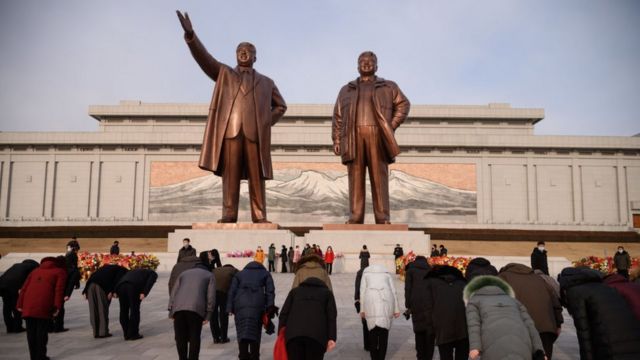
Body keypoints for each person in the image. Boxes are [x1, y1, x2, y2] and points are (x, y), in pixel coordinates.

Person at [176, 11, 287, 224]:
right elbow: (204, 59)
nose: (244, 53)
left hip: (255, 134)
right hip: (231, 131)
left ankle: (259, 214)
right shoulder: (224, 73)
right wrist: (191, 36)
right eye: (240, 50)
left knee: (257, 176)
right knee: (231, 175)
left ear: (255, 57)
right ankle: (229, 213)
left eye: (248, 51)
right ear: (236, 54)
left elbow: (281, 106)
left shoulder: (266, 82)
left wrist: (265, 121)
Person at [332, 51, 410, 224]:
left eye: (370, 61)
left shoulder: (388, 86)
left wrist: (391, 125)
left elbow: (404, 105)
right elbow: (337, 116)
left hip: (377, 136)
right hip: (353, 137)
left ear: (377, 65)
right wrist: (337, 140)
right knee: (355, 178)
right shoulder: (346, 89)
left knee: (379, 177)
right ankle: (355, 216)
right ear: (357, 65)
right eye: (362, 61)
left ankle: (382, 217)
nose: (366, 64)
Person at [558, 267, 640, 359]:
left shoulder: (575, 292)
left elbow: (584, 335)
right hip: (633, 343)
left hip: (610, 346)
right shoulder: (605, 287)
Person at [464, 275, 545, 360]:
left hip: (491, 343)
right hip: (521, 342)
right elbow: (530, 325)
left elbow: (474, 325)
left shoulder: (474, 301)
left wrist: (475, 347)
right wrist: (539, 350)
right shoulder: (513, 300)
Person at [498, 263, 562, 359]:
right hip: (545, 329)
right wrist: (558, 323)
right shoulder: (539, 278)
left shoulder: (503, 277)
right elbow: (555, 302)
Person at [17, 257, 66, 360]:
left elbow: (24, 288)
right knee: (41, 333)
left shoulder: (35, 271)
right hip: (44, 305)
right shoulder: (59, 272)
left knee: (31, 334)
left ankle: (33, 357)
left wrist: (19, 304)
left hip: (28, 306)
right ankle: (41, 356)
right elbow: (59, 291)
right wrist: (57, 306)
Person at [278, 277, 338, 359]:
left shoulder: (294, 292)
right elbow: (331, 317)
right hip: (317, 338)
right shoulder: (327, 294)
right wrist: (332, 337)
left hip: (294, 337)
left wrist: (280, 334)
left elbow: (284, 314)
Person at [228, 261, 276, 360]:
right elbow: (270, 291)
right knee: (255, 332)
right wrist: (270, 307)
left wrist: (229, 308)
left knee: (241, 331)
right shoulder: (265, 273)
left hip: (240, 303)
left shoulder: (239, 274)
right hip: (257, 304)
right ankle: (255, 356)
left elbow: (231, 291)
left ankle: (243, 355)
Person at [169, 260, 216, 360]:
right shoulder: (209, 275)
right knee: (194, 336)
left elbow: (174, 291)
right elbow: (211, 296)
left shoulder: (184, 273)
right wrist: (208, 314)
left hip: (178, 308)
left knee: (180, 337)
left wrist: (171, 310)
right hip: (196, 309)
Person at [424, 266, 468, 360]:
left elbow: (428, 308)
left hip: (442, 329)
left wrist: (430, 329)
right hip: (463, 329)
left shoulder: (431, 283)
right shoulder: (463, 283)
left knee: (445, 356)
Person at [360, 264, 401, 360]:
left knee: (373, 337)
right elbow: (393, 291)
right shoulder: (387, 275)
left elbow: (362, 292)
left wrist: (362, 310)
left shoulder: (366, 275)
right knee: (383, 337)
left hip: (370, 306)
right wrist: (396, 309)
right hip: (386, 306)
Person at [82, 264, 128, 338]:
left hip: (90, 286)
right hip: (102, 287)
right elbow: (117, 280)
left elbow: (93, 276)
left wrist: (85, 290)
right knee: (102, 309)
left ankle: (96, 332)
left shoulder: (105, 268)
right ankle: (103, 332)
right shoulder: (122, 271)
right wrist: (111, 291)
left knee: (93, 310)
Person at [404, 256, 434, 360]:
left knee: (419, 331)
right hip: (430, 304)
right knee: (430, 332)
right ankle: (428, 356)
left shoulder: (410, 271)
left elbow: (408, 289)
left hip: (416, 304)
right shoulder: (431, 271)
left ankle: (420, 356)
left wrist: (408, 305)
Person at [114, 268, 158, 340]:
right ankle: (133, 334)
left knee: (123, 311)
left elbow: (122, 279)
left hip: (120, 286)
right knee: (134, 310)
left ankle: (126, 334)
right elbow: (150, 282)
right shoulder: (153, 273)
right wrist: (144, 293)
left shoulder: (133, 271)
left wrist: (115, 290)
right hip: (132, 287)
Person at [0, 259, 39, 333]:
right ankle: (17, 327)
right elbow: (30, 281)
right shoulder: (32, 267)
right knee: (16, 306)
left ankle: (10, 327)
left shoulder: (16, 265)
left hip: (2, 285)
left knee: (7, 307)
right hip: (13, 286)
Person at [212, 264, 239, 343]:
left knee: (213, 315)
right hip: (224, 292)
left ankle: (216, 338)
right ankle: (224, 337)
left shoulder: (215, 269)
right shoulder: (234, 270)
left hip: (212, 291)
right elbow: (238, 283)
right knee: (223, 315)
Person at [354, 265, 370, 352]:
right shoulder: (372, 274)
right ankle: (372, 343)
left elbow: (357, 287)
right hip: (372, 300)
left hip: (362, 300)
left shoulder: (360, 273)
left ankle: (367, 344)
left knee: (365, 323)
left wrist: (356, 299)